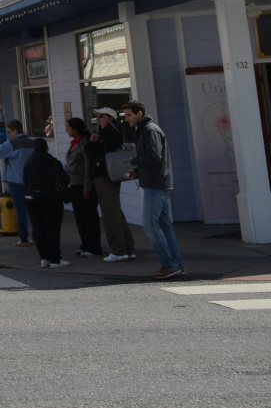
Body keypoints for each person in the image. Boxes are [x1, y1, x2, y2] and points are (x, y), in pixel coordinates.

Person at [122, 100, 184, 279]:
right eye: (125, 115)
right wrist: (137, 171)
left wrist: (134, 162)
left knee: (150, 225)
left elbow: (153, 157)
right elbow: (152, 158)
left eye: (129, 115)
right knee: (164, 226)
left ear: (139, 113)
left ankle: (170, 265)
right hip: (157, 182)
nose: (126, 119)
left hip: (156, 185)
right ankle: (176, 264)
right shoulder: (145, 129)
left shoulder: (149, 130)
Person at [88, 107, 137, 262]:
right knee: (115, 212)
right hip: (102, 175)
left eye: (102, 116)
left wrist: (103, 131)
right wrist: (93, 140)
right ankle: (127, 248)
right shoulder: (101, 133)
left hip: (106, 176)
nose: (99, 119)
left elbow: (111, 146)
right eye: (98, 117)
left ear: (110, 118)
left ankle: (119, 250)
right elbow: (89, 150)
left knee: (110, 214)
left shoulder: (112, 132)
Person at [21, 137, 70, 269]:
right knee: (52, 229)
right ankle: (55, 259)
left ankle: (44, 258)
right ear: (46, 148)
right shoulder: (53, 162)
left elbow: (25, 180)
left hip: (31, 197)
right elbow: (65, 179)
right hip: (50, 198)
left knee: (38, 229)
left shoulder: (29, 162)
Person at [0, 120, 36, 246]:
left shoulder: (12, 143)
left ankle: (24, 238)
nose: (9, 134)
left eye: (9, 131)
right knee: (33, 211)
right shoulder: (32, 143)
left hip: (16, 182)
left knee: (20, 211)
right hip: (31, 181)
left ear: (15, 130)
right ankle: (36, 237)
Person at [63, 117, 102, 257]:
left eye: (68, 127)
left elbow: (88, 167)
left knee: (89, 216)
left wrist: (87, 188)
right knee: (79, 217)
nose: (66, 130)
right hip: (73, 183)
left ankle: (94, 246)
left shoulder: (85, 143)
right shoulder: (74, 143)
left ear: (76, 129)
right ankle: (85, 243)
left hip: (82, 184)